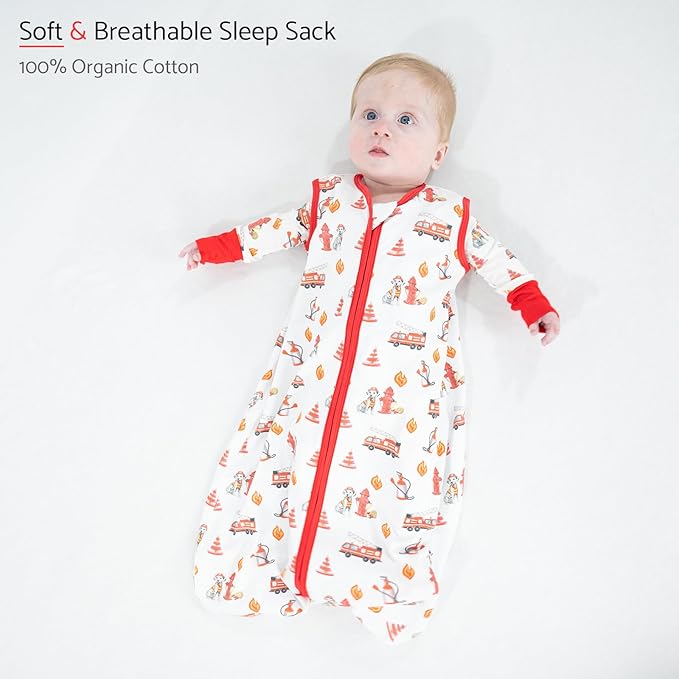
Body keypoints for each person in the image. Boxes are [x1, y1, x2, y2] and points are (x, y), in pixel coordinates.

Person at [180, 53, 560, 645]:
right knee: (290, 455)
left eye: (406, 120)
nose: (383, 129)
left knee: (392, 479)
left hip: (401, 395)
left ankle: (377, 584)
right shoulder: (329, 201)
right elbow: (274, 229)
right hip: (313, 372)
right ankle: (269, 566)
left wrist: (532, 304)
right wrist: (216, 248)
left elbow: (498, 262)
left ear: (438, 153)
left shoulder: (449, 217)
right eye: (370, 114)